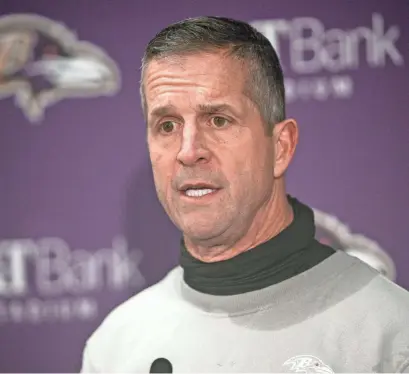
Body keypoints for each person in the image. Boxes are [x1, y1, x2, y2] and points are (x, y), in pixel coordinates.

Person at [80, 16, 409, 373]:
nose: (188, 151)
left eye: (218, 120)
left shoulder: (390, 334)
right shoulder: (115, 346)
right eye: (168, 125)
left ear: (280, 147)